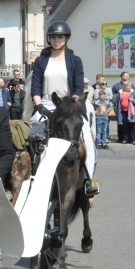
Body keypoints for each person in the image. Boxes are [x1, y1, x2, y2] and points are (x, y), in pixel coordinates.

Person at [30, 21, 98, 197]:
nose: (56, 40)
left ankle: (88, 180)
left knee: (87, 139)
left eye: (60, 37)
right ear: (49, 39)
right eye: (53, 37)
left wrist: (72, 104)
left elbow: (77, 88)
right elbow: (35, 88)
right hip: (45, 103)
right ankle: (29, 176)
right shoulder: (41, 61)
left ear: (66, 38)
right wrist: (39, 106)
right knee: (29, 136)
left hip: (68, 104)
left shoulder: (75, 60)